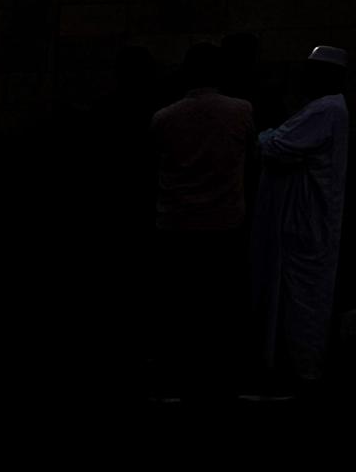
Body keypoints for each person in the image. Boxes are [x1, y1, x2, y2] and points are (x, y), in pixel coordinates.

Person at [149, 43, 256, 401]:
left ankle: (178, 378)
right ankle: (221, 379)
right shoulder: (242, 111)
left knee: (180, 308)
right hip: (225, 226)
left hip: (176, 226)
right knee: (221, 309)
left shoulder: (164, 118)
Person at [248, 46, 348, 398]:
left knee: (302, 299)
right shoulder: (330, 109)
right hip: (309, 222)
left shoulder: (325, 109)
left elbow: (275, 147)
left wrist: (264, 136)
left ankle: (302, 371)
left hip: (307, 225)